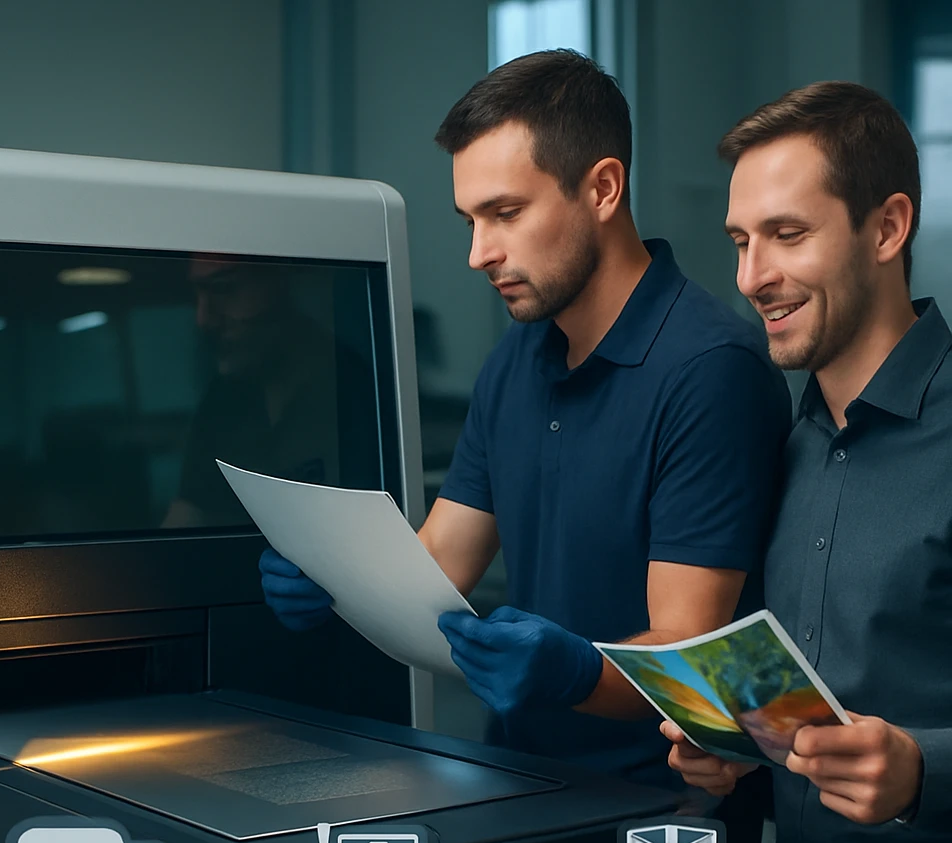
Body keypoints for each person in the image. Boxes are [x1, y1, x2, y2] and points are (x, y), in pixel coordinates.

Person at [260, 49, 793, 787]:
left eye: (506, 213)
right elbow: (441, 564)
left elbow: (687, 650)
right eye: (470, 220)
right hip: (514, 772)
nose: (481, 253)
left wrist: (575, 672)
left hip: (661, 808)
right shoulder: (516, 360)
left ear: (603, 188)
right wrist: (336, 582)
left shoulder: (711, 371)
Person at [662, 81, 951, 843]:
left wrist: (921, 770)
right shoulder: (776, 448)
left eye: (787, 235)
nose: (751, 277)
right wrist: (733, 752)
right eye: (741, 243)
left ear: (887, 227)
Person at [163, 257, 340, 528]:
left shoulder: (353, 391)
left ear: (284, 281)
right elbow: (187, 513)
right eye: (197, 294)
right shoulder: (225, 399)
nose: (204, 319)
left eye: (224, 289)